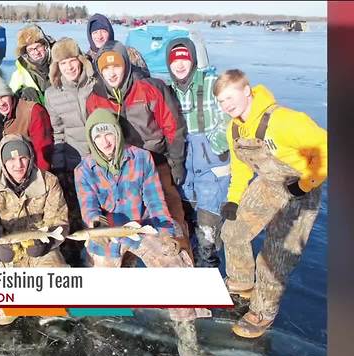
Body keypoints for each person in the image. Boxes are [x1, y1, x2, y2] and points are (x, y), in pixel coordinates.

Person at [74, 109, 211, 356]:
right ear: (91, 139)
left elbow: (155, 200)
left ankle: (188, 341)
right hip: (109, 233)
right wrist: (95, 225)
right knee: (98, 290)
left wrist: (167, 232)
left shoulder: (141, 158)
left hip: (143, 226)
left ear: (117, 133)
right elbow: (89, 206)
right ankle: (98, 334)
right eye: (98, 136)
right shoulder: (84, 169)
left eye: (109, 134)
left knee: (175, 267)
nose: (105, 141)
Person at [214, 69, 327, 338]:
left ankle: (263, 311)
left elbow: (325, 149)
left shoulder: (285, 121)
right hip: (267, 183)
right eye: (220, 101)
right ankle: (241, 284)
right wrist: (233, 199)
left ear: (247, 91)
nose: (226, 105)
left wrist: (305, 184)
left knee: (275, 256)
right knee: (232, 232)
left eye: (230, 98)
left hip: (298, 188)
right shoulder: (235, 128)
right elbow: (241, 169)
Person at [86, 40, 193, 261]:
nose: (111, 72)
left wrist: (175, 164)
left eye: (116, 66)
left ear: (125, 64)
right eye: (105, 68)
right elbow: (95, 139)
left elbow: (173, 128)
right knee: (127, 231)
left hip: (157, 163)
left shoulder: (150, 88)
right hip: (123, 173)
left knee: (172, 222)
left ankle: (183, 263)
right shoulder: (95, 98)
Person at [0, 134, 68, 325]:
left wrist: (48, 243)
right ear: (3, 163)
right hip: (10, 253)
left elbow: (59, 222)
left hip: (41, 250)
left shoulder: (49, 181)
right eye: (11, 159)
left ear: (30, 157)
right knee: (0, 316)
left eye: (22, 158)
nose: (18, 164)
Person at [166, 38, 232, 268]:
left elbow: (232, 111)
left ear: (193, 59)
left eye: (184, 59)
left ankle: (212, 284)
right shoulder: (168, 90)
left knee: (209, 234)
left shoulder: (212, 81)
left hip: (213, 170)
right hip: (186, 171)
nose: (180, 65)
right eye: (175, 61)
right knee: (188, 233)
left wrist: (218, 142)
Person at [44, 37, 98, 265]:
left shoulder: (96, 84)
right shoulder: (52, 94)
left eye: (71, 60)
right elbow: (58, 132)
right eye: (62, 63)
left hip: (100, 158)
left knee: (99, 213)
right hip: (75, 162)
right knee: (77, 215)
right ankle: (76, 260)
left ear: (80, 60)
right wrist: (59, 167)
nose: (68, 67)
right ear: (56, 67)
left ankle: (99, 256)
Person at [0, 73, 53, 171]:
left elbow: (43, 150)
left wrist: (41, 178)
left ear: (10, 95)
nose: (0, 103)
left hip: (31, 169)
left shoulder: (33, 111)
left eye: (3, 96)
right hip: (7, 171)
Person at [85, 13, 150, 77]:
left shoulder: (129, 53)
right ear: (90, 35)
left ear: (110, 33)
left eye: (103, 31)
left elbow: (145, 78)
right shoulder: (86, 60)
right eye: (95, 32)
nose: (99, 36)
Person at [9, 24, 55, 105]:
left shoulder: (60, 63)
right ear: (25, 53)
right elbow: (11, 96)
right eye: (30, 50)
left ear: (45, 45)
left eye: (38, 47)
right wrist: (21, 93)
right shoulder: (20, 73)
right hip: (40, 114)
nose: (36, 52)